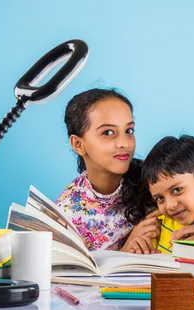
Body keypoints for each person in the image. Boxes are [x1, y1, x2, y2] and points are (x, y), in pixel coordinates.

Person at [54, 88, 161, 253]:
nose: (124, 143)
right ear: (78, 144)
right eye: (108, 132)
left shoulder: (157, 175)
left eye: (129, 131)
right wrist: (126, 251)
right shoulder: (65, 214)